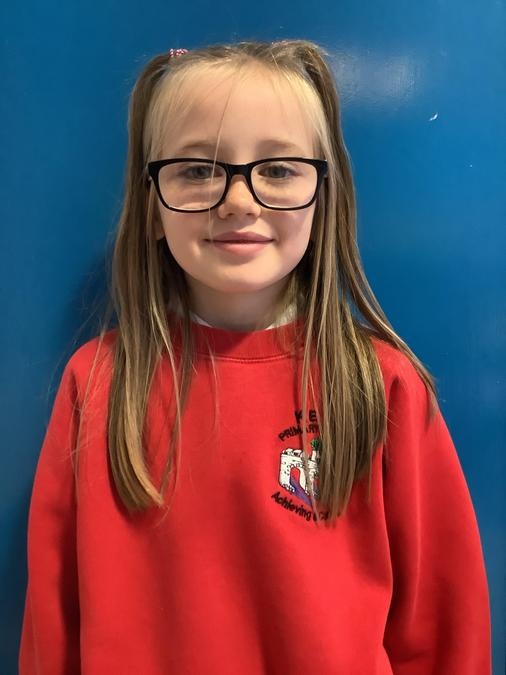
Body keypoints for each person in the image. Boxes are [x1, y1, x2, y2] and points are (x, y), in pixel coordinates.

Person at [19, 39, 492, 674]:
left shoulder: (382, 386)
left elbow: (444, 623)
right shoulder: (98, 381)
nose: (239, 201)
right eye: (197, 170)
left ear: (323, 197)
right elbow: (53, 623)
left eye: (279, 169)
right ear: (152, 204)